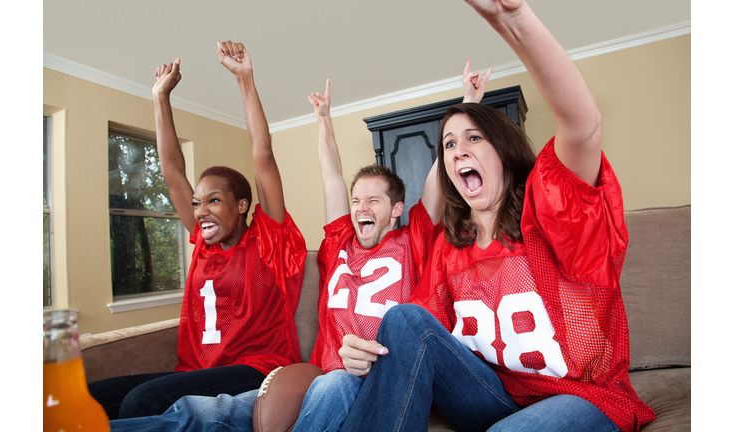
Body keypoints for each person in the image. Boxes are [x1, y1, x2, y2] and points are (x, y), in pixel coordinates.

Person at [339, 1, 656, 431]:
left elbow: (583, 127)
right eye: (449, 145)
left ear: (504, 152)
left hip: (581, 396)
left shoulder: (548, 216)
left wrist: (514, 18)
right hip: (491, 394)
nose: (459, 150)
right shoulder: (451, 247)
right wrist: (364, 351)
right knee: (401, 319)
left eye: (474, 138)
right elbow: (419, 336)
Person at [107, 79, 444, 432]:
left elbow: (437, 184)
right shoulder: (339, 242)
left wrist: (465, 108)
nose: (360, 206)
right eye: (357, 199)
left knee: (336, 384)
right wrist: (324, 121)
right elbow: (331, 177)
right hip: (318, 376)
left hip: (375, 378)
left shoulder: (415, 240)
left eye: (373, 200)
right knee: (200, 415)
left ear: (396, 210)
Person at [90, 41, 307, 420]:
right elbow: (172, 172)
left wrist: (244, 79)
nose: (201, 211)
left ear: (242, 206)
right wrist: (160, 98)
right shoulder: (204, 245)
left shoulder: (268, 243)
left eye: (214, 200)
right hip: (197, 372)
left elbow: (263, 154)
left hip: (257, 368)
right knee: (87, 395)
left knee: (142, 402)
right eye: (197, 203)